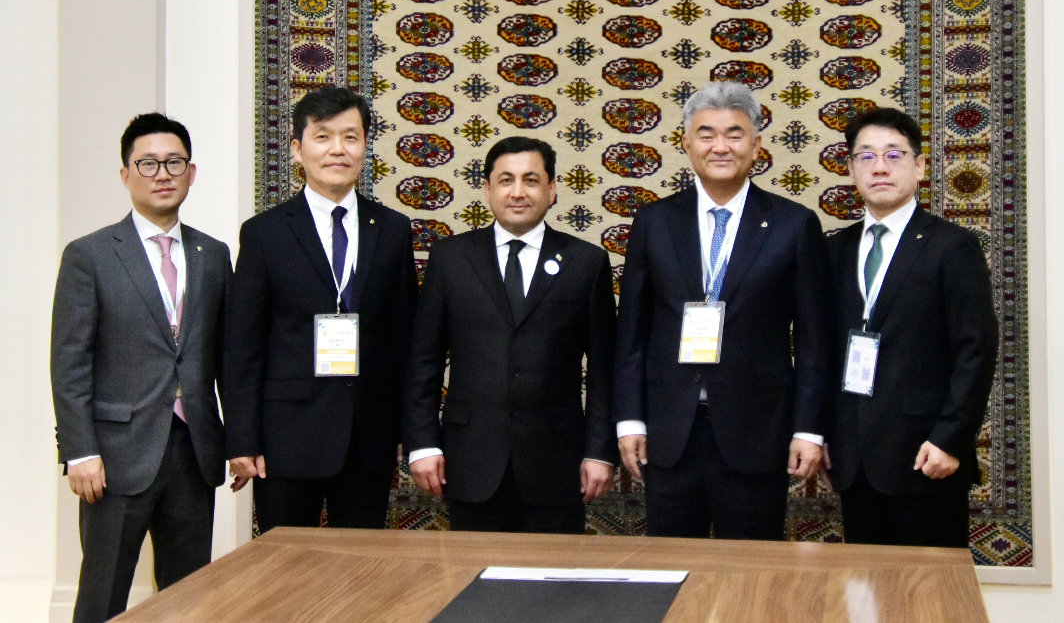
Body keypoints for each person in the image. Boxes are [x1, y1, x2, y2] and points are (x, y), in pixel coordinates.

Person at [613, 81, 834, 540]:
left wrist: (809, 430)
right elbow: (632, 332)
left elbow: (815, 341)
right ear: (686, 143)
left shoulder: (794, 225)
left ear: (756, 145)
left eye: (734, 134)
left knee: (752, 578)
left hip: (757, 433)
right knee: (670, 573)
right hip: (668, 434)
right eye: (706, 133)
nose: (720, 146)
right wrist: (631, 419)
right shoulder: (654, 221)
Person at [51, 113, 231, 622]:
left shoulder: (213, 254)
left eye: (174, 162)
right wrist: (78, 450)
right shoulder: (90, 255)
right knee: (102, 596)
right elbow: (69, 362)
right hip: (114, 457)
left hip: (193, 452)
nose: (162, 173)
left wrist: (238, 441)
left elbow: (226, 358)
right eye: (147, 163)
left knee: (190, 596)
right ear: (126, 174)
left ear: (191, 173)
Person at [224, 87, 417, 532]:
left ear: (365, 147)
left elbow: (405, 337)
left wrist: (411, 431)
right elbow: (242, 347)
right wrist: (242, 439)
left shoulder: (391, 229)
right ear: (297, 148)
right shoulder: (264, 234)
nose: (337, 149)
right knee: (285, 571)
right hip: (285, 436)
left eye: (350, 137)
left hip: (367, 435)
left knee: (362, 569)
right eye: (323, 136)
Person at [403, 137, 617, 533]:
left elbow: (606, 369)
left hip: (556, 464)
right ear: (488, 189)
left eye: (531, 180)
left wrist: (600, 452)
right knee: (472, 589)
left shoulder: (586, 262)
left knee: (554, 590)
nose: (518, 192)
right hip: (470, 461)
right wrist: (423, 443)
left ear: (552, 189)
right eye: (506, 180)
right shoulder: (451, 259)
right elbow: (423, 361)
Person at [824, 107, 998, 547]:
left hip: (926, 456)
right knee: (864, 600)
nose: (879, 167)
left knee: (928, 602)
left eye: (894, 155)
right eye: (865, 156)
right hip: (855, 460)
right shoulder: (835, 250)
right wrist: (827, 433)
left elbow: (975, 350)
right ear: (850, 169)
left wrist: (950, 438)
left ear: (919, 166)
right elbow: (820, 348)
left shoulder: (952, 246)